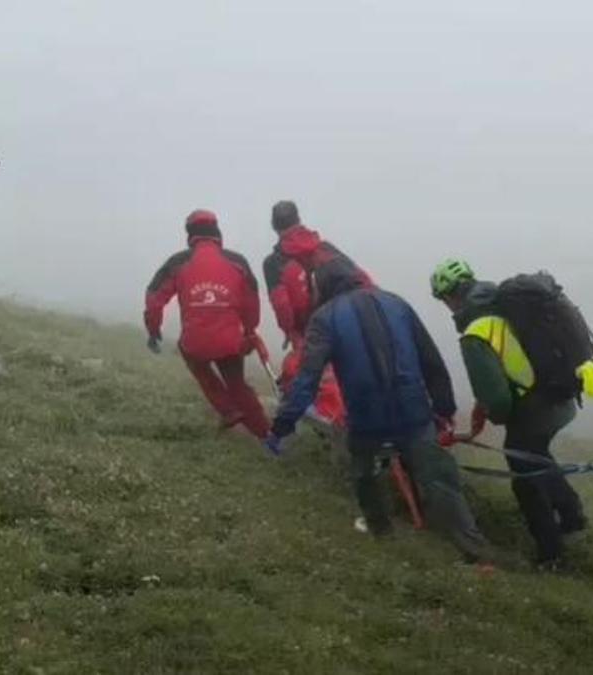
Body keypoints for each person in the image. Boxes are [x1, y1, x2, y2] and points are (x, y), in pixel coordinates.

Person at [265, 261, 491, 563]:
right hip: (414, 414)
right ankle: (475, 553)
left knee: (364, 477)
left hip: (367, 419)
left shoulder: (325, 318)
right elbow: (432, 361)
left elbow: (307, 379)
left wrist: (282, 425)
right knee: (440, 481)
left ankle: (382, 536)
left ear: (324, 287)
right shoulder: (396, 304)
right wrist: (444, 410)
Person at [429, 259, 588, 569]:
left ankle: (550, 554)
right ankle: (572, 515)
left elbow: (498, 399)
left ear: (449, 297)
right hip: (560, 397)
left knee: (525, 478)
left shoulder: (476, 332)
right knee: (538, 456)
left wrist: (497, 415)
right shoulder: (502, 305)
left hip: (533, 410)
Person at [143, 209, 270, 440]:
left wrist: (153, 330)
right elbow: (252, 299)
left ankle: (228, 411)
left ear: (190, 234)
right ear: (216, 231)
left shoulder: (178, 262)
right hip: (231, 342)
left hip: (196, 343)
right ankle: (266, 435)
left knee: (191, 354)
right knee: (237, 383)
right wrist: (250, 331)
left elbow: (154, 298)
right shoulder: (237, 261)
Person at [261, 200, 370, 426]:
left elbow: (282, 305)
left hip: (312, 328)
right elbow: (360, 279)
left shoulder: (274, 263)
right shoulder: (326, 248)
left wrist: (290, 331)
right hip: (353, 317)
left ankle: (335, 421)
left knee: (303, 372)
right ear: (299, 220)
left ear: (274, 226)